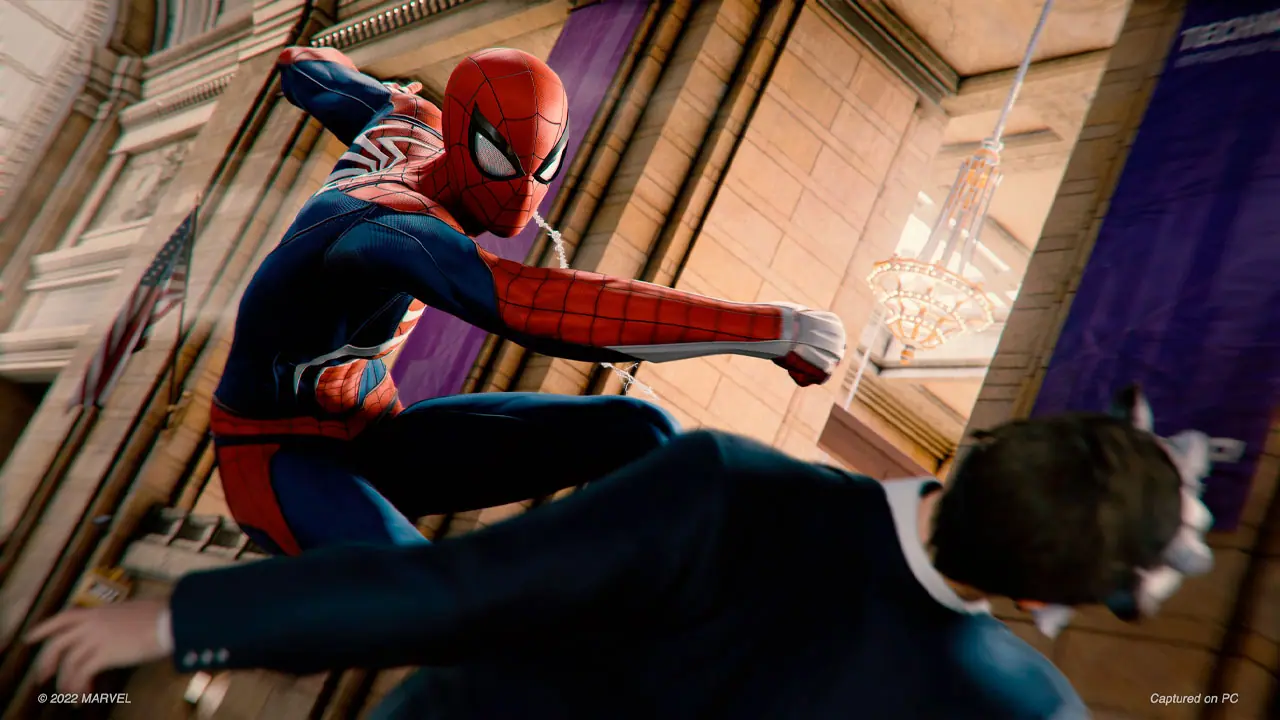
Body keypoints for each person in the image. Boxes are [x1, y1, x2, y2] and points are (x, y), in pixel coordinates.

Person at [27, 387, 1215, 718]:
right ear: (1047, 596)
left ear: (987, 446)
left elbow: (448, 592)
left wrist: (176, 617)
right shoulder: (1022, 709)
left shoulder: (726, 487)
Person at [210, 45, 845, 556]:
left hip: (382, 435)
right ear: (463, 139)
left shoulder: (408, 123)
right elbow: (529, 306)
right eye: (499, 160)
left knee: (642, 430)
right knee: (430, 599)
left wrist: (310, 61)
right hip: (277, 457)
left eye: (542, 167)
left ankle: (635, 589)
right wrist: (765, 327)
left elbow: (317, 75)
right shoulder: (386, 224)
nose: (521, 192)